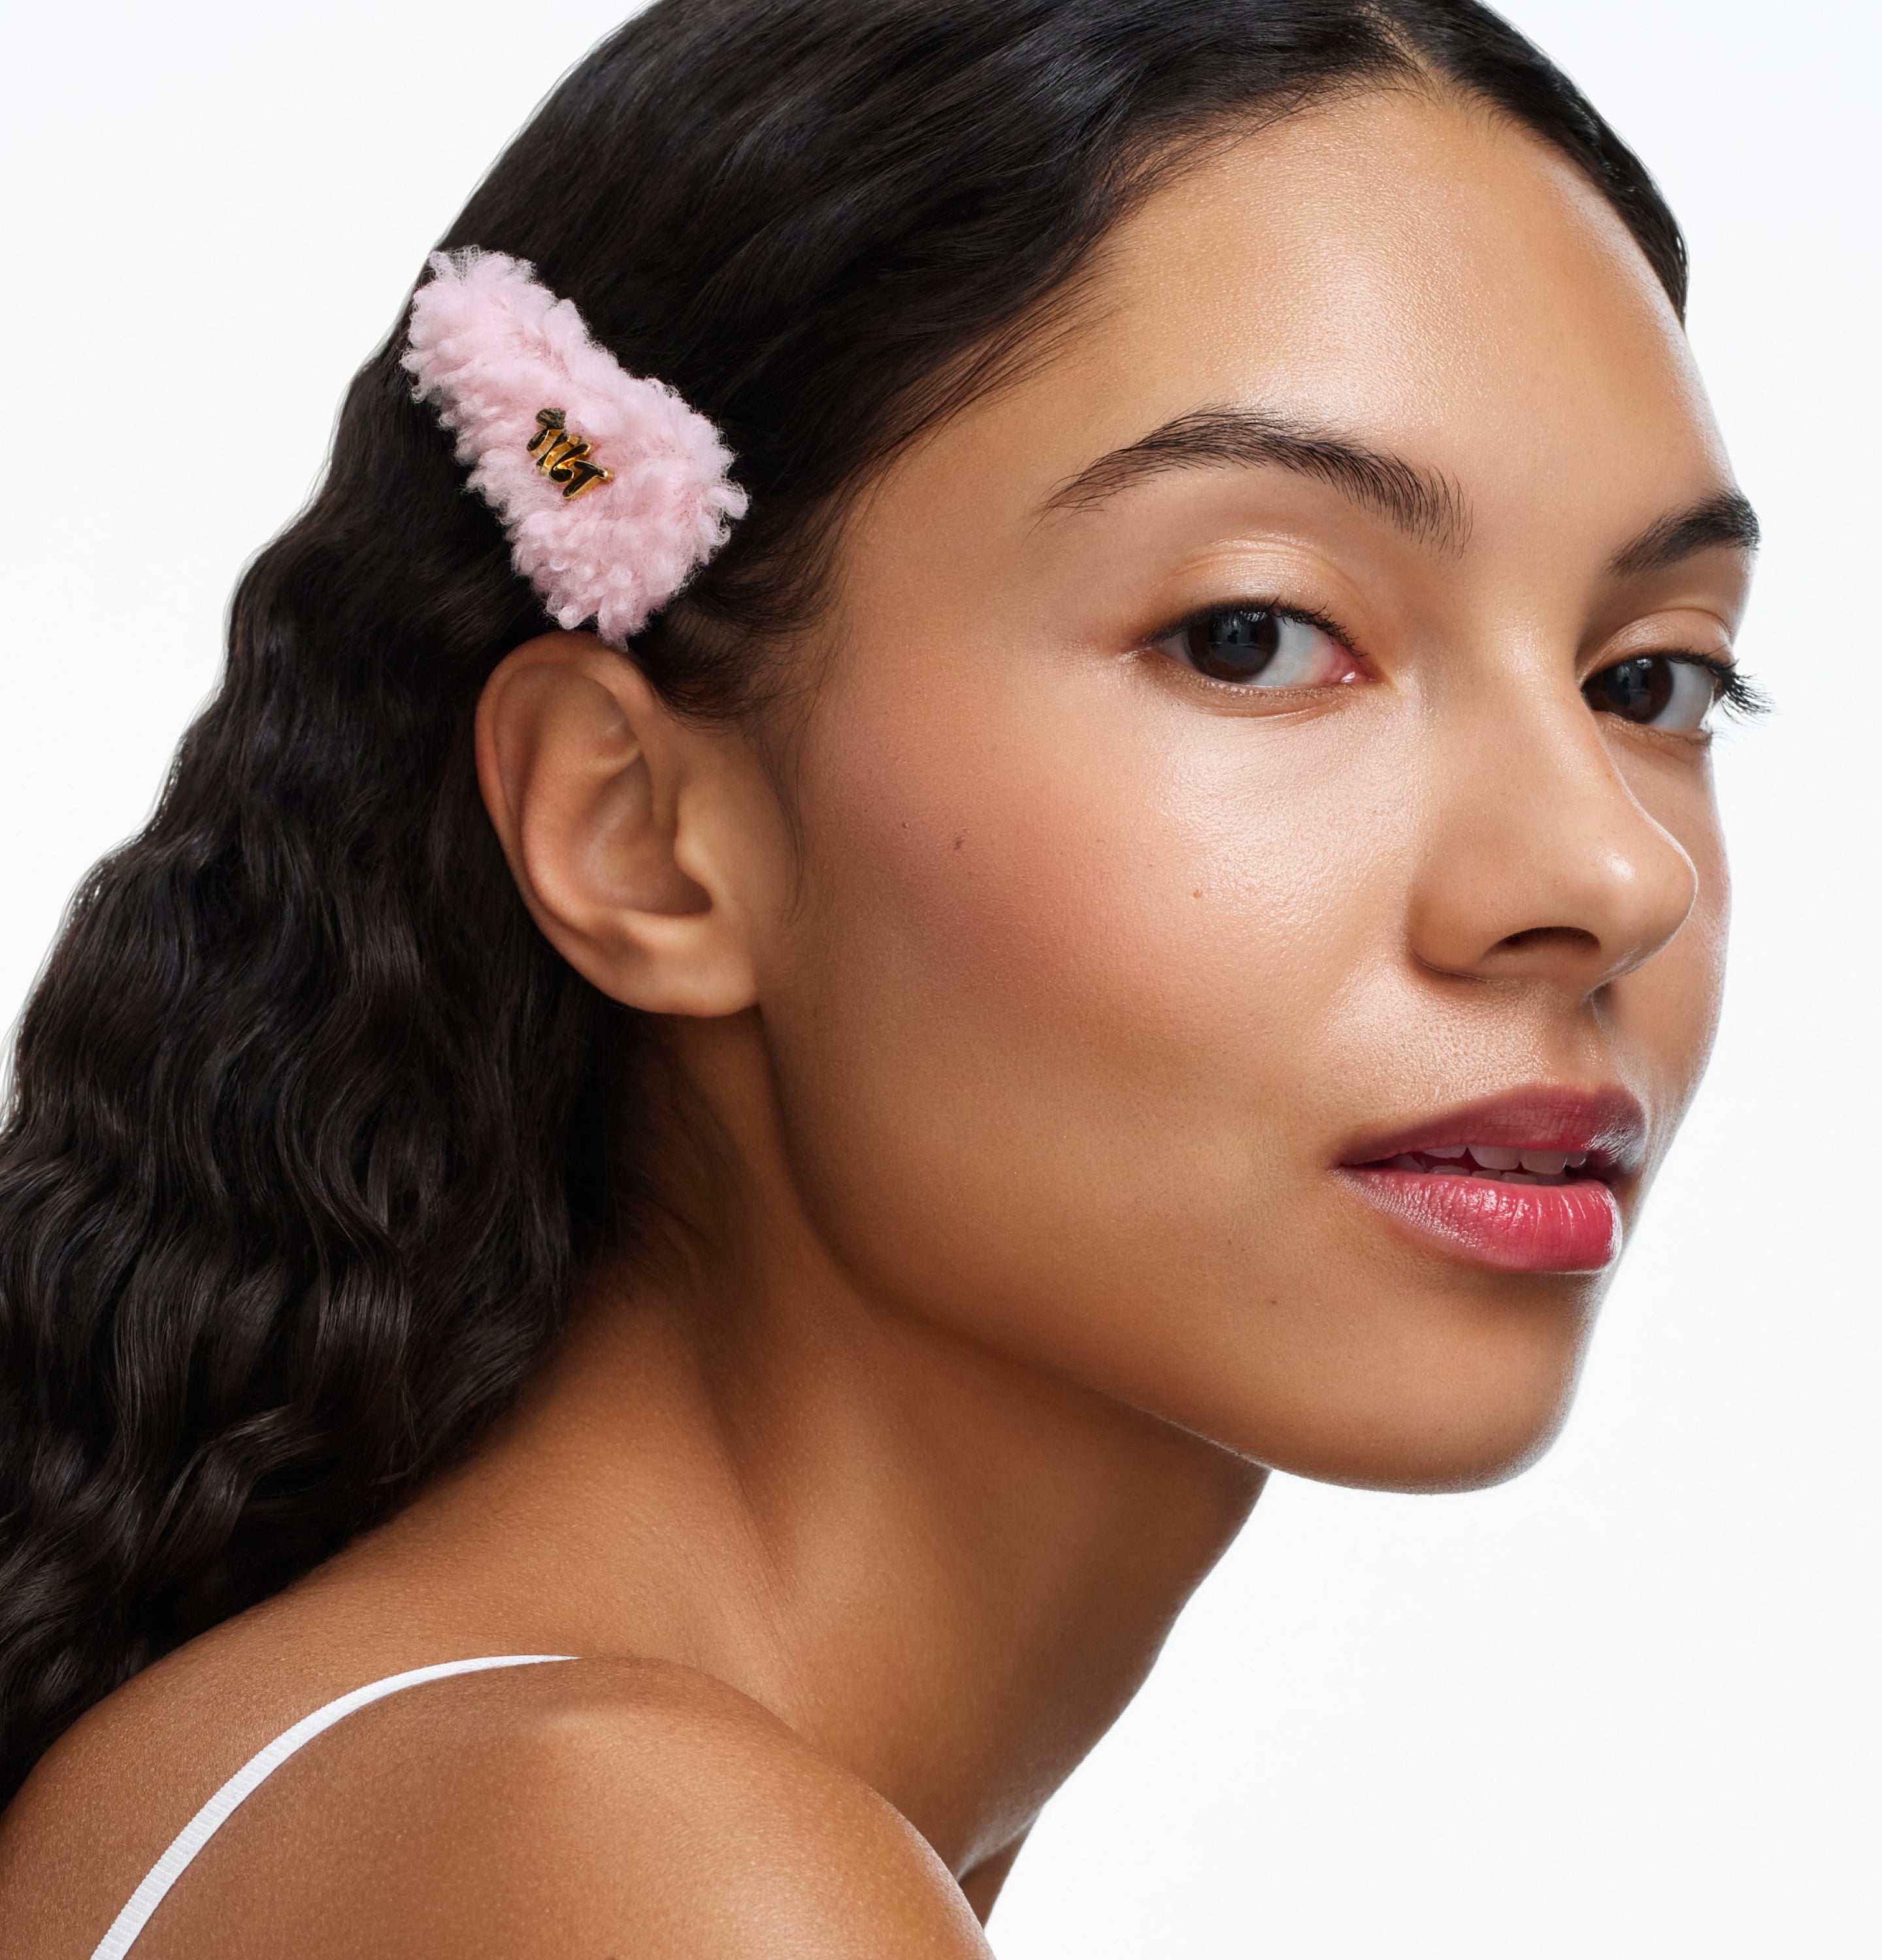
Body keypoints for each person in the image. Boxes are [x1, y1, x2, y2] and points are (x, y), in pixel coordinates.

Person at [0, 0, 1760, 1951]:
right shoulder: (643, 1866)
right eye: (1256, 634)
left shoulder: (427, 1791)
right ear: (638, 833)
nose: (1612, 871)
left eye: (1651, 679)